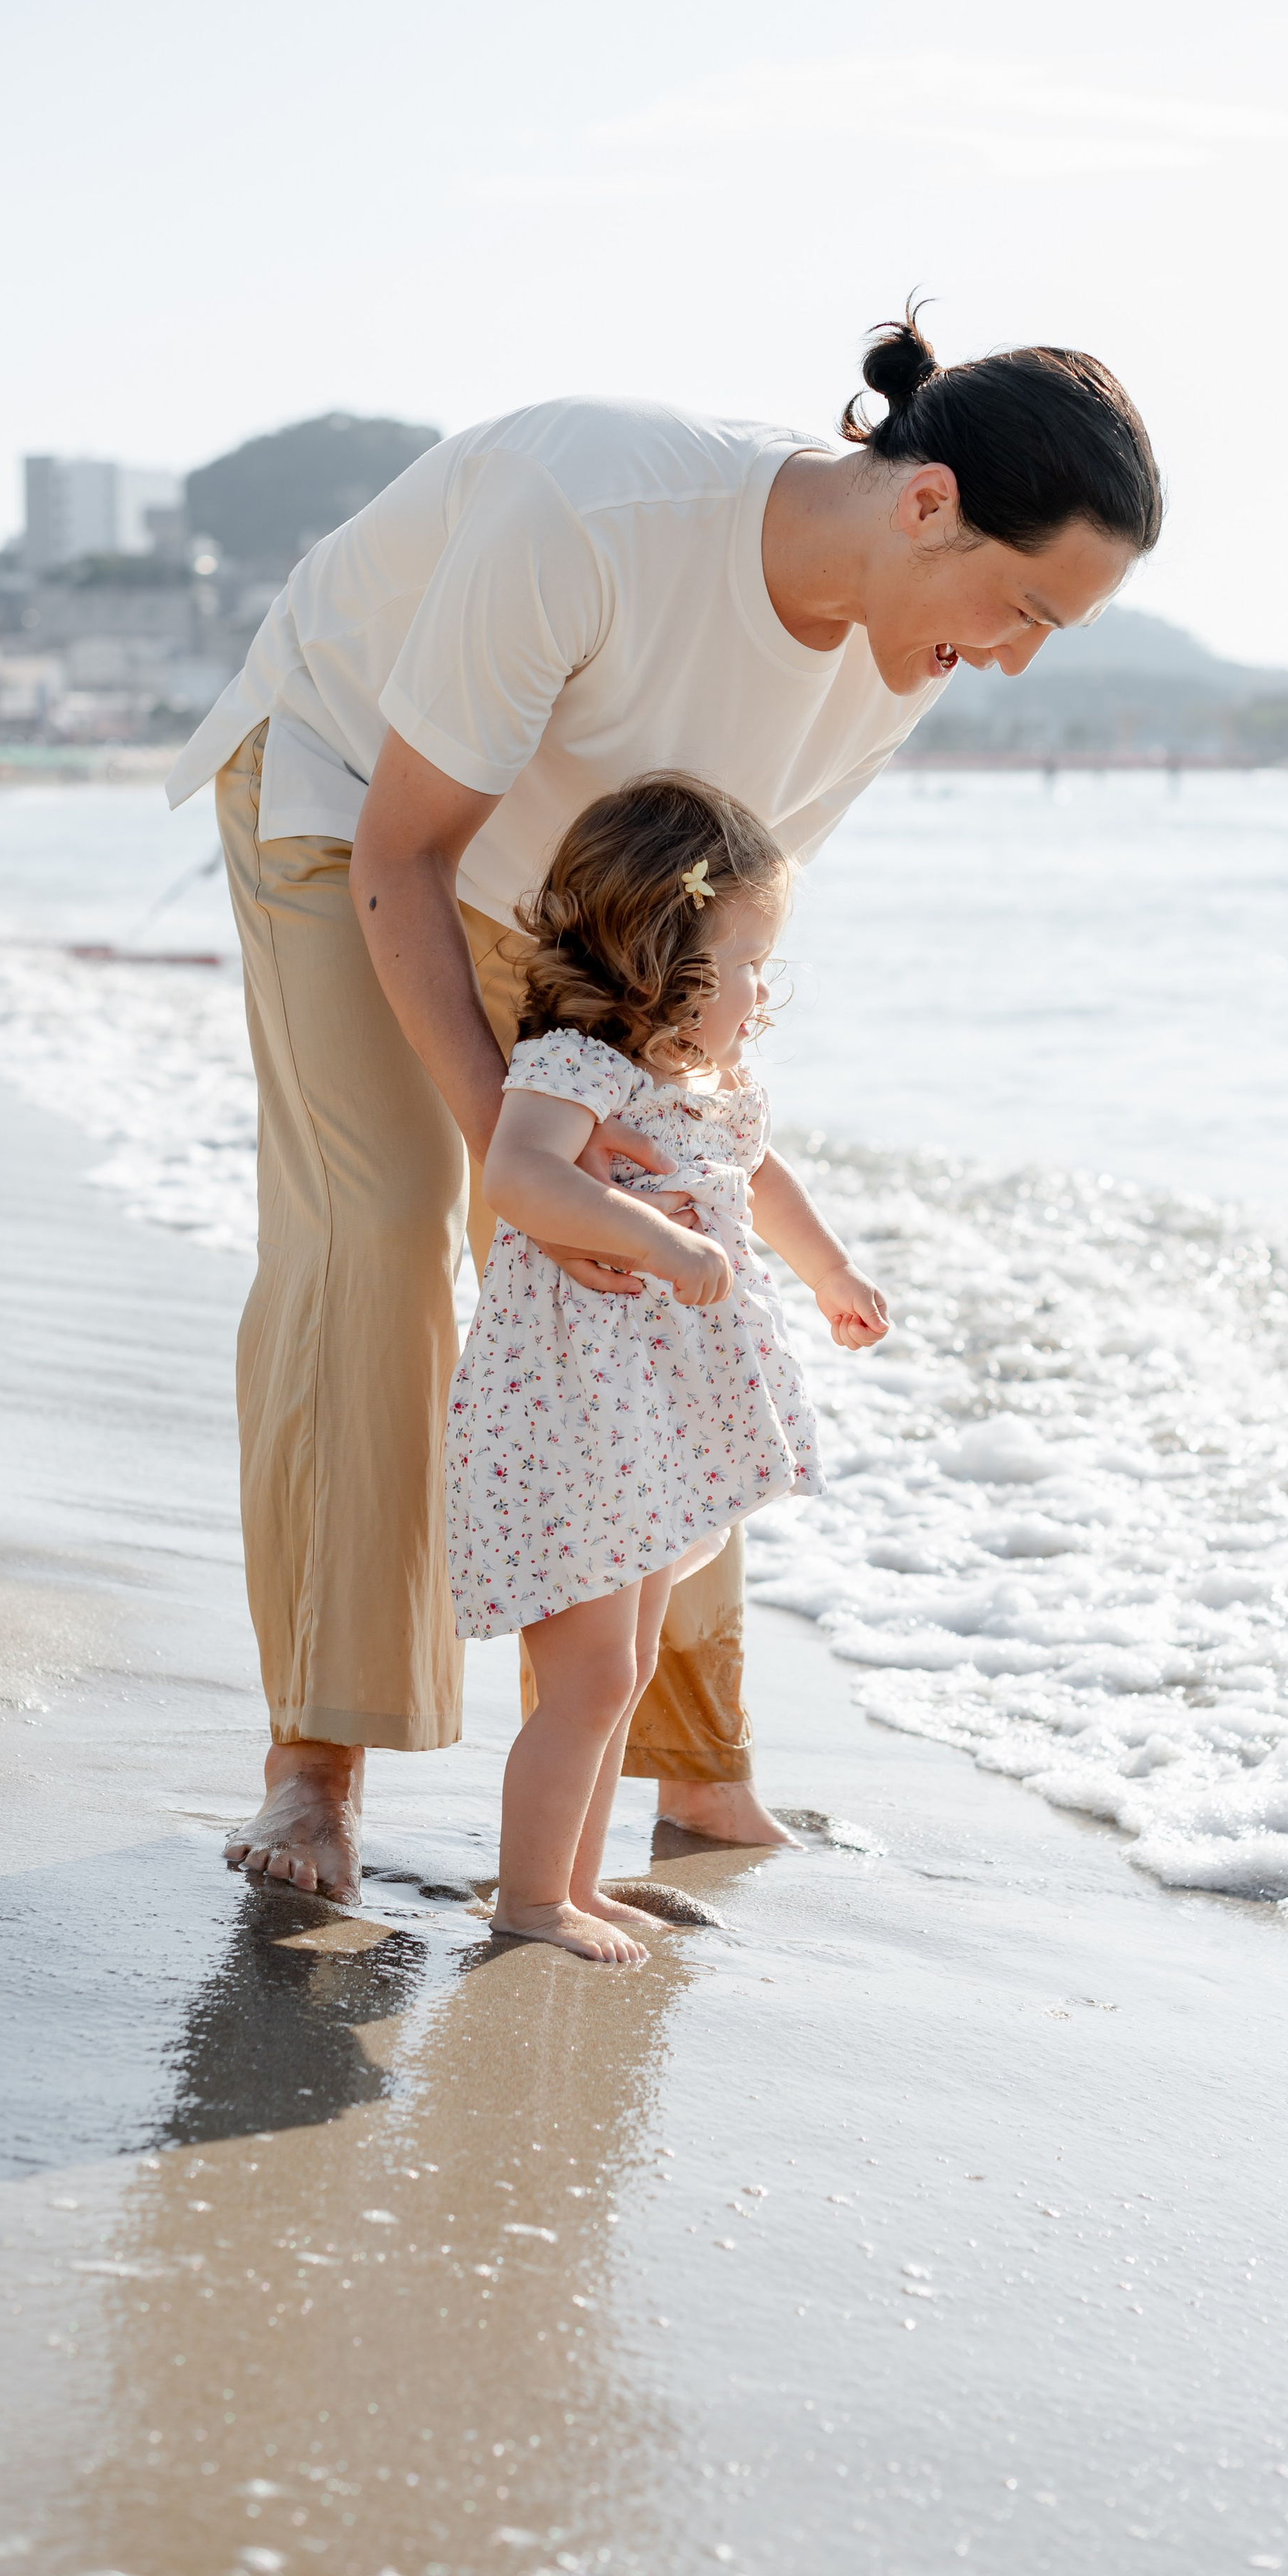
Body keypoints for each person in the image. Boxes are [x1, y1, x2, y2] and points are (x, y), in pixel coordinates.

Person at [162, 303, 1162, 1908]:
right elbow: (407, 858)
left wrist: (672, 1192)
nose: (1020, 653)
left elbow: (704, 970)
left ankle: (691, 1761)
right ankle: (317, 1765)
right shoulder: (595, 510)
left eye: (1060, 631)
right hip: (359, 807)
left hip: (579, 894)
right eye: (1024, 604)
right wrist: (515, 1146)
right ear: (925, 505)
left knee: (656, 1240)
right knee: (381, 1236)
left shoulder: (909, 655)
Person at [451, 773, 887, 1963]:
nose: (764, 992)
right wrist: (658, 1236)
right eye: (750, 963)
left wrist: (831, 1275)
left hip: (645, 1424)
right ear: (665, 955)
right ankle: (531, 1901)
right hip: (575, 1417)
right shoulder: (576, 1067)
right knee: (590, 1674)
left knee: (623, 1667)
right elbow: (517, 1179)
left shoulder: (704, 1084)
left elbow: (761, 1179)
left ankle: (574, 1883)